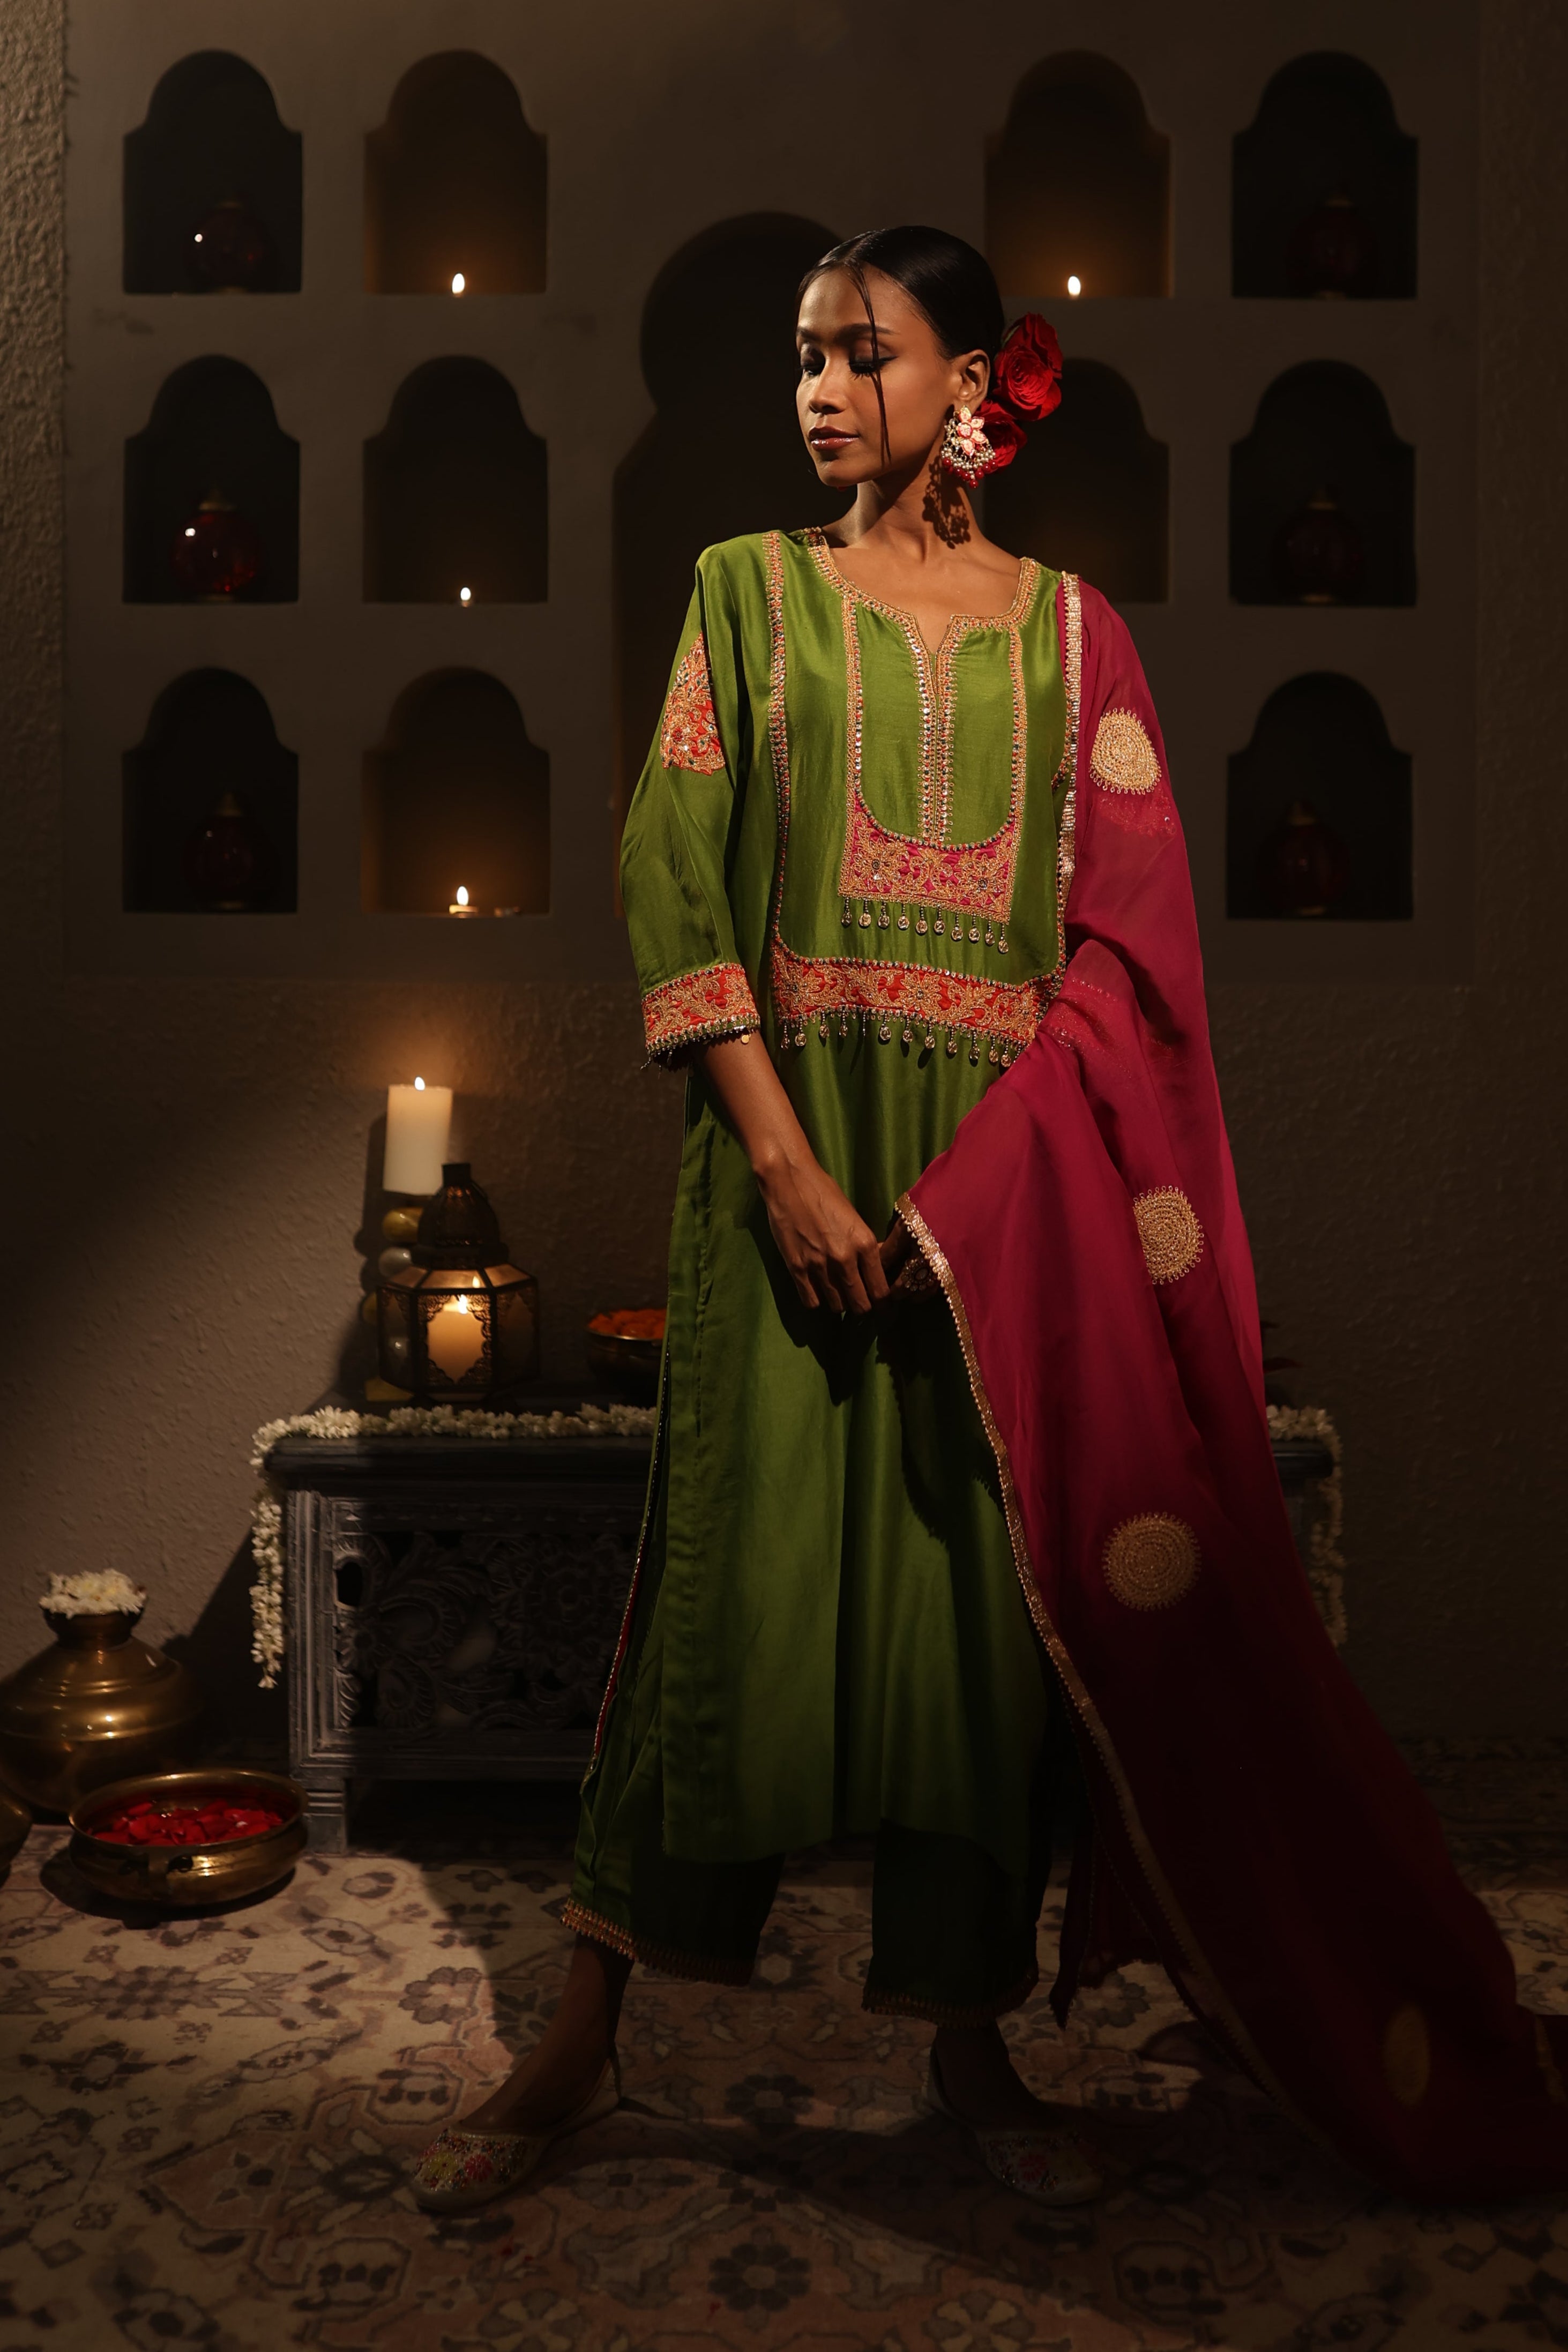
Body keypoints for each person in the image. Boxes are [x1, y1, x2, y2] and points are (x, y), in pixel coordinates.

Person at [410, 226, 1568, 2217]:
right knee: (724, 1597)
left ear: (974, 384)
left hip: (995, 1207)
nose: (822, 386)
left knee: (975, 1622)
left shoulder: (1071, 637)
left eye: (866, 352)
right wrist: (780, 1164)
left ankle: (964, 2044)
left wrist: (973, 1192)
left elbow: (1128, 952)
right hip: (789, 1153)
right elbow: (671, 879)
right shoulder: (746, 597)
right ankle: (586, 2037)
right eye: (805, 355)